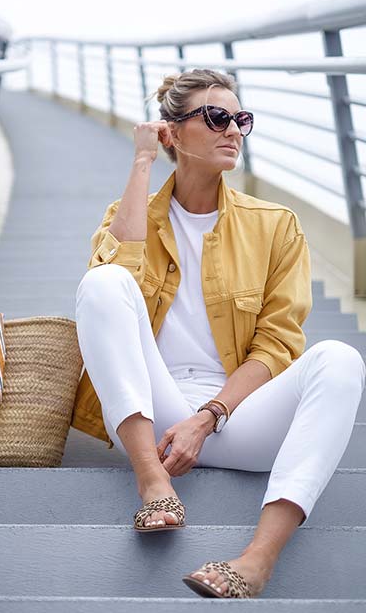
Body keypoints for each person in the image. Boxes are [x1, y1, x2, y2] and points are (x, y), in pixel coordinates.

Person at [73, 68, 366, 599]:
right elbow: (113, 288)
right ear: (174, 131)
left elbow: (277, 344)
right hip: (152, 420)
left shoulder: (275, 225)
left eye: (241, 119)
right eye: (216, 117)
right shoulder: (130, 215)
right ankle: (154, 485)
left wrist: (207, 418)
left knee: (341, 358)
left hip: (237, 417)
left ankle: (257, 560)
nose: (233, 130)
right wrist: (141, 162)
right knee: (104, 282)